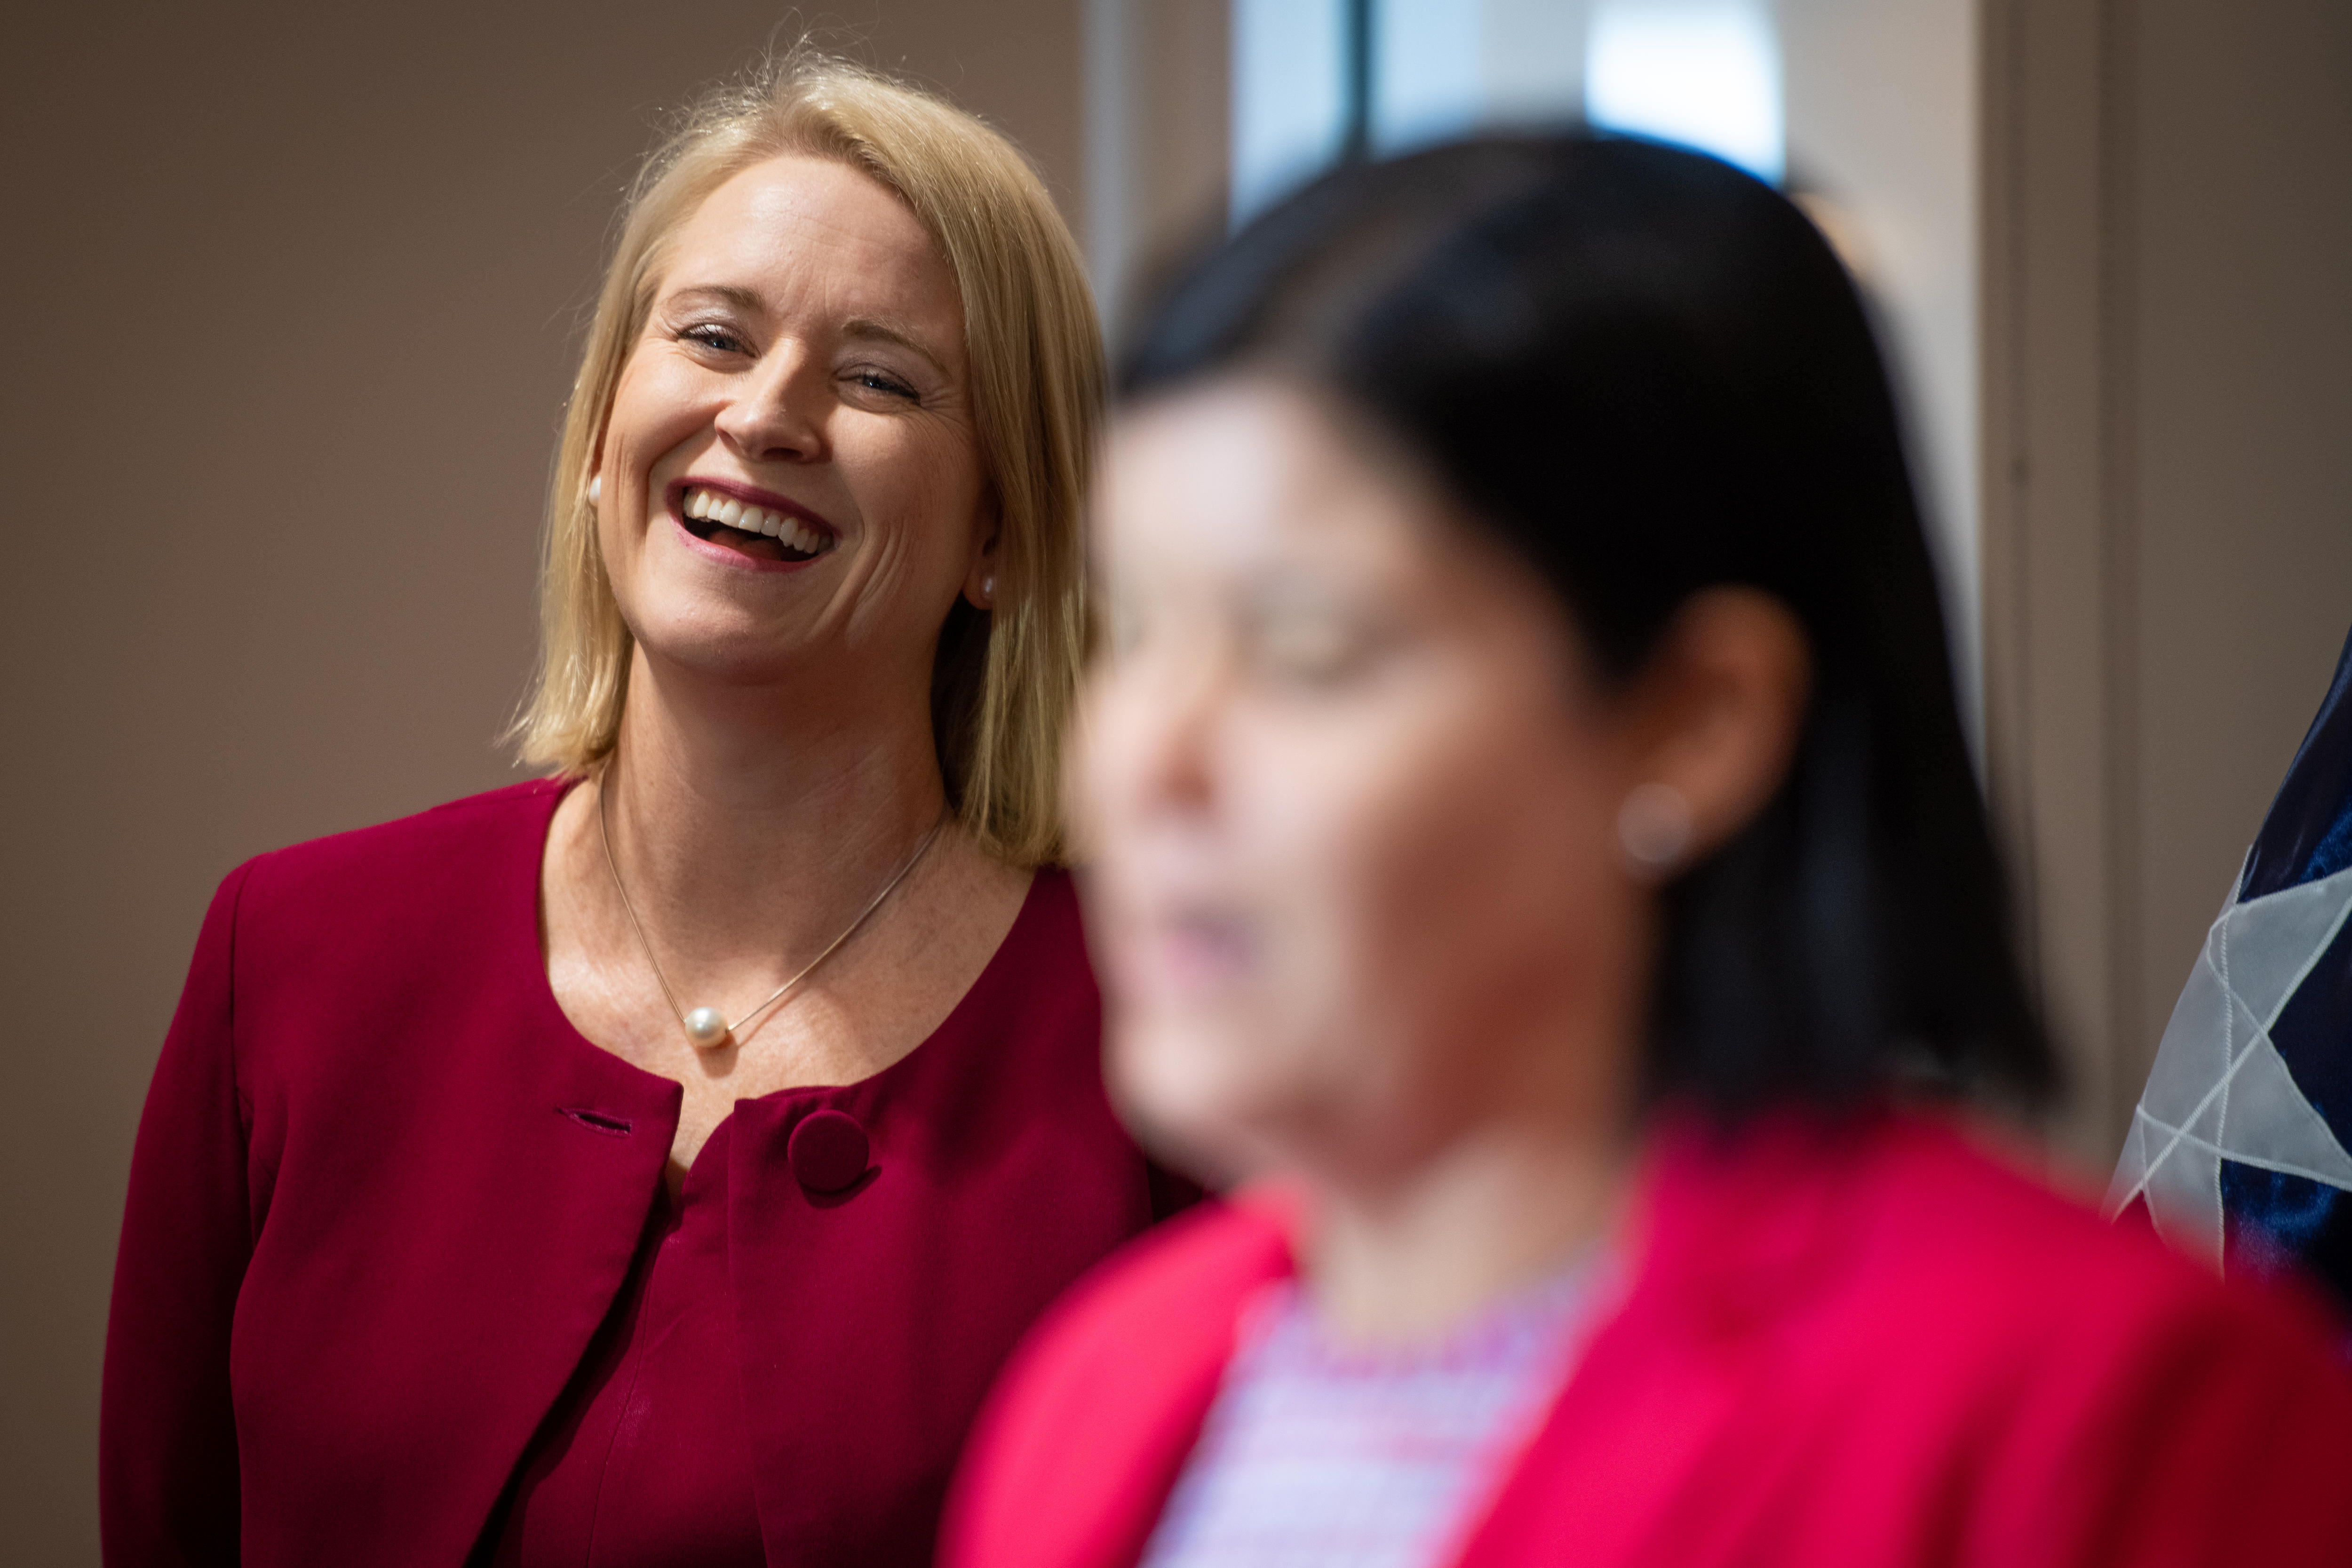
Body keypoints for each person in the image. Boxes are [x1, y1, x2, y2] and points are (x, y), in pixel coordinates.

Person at [943, 132, 2352, 1568]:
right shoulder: (1102, 1385)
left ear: (1693, 722)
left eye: (1307, 652)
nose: (1149, 763)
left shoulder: (2111, 1407)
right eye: (1134, 633)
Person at [102, 48, 1184, 1568]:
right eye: (714, 337)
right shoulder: (286, 957)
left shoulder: (1165, 1035)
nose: (769, 414)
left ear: (999, 531)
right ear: (603, 433)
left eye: (880, 377)